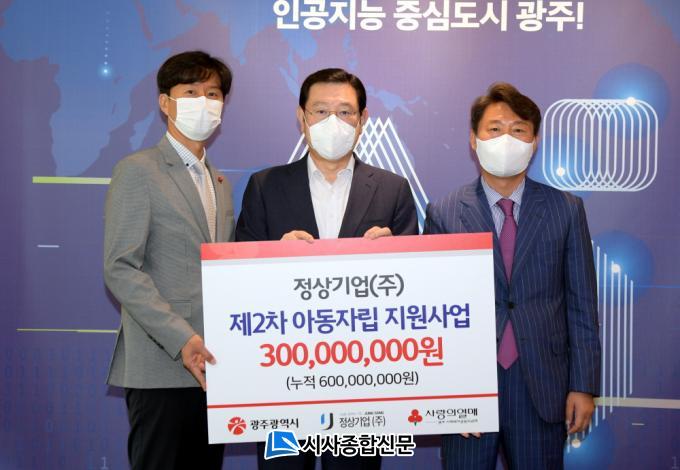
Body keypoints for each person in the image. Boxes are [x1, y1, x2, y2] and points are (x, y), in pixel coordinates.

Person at [236, 68, 418, 469]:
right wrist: (273, 258)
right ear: (301, 117)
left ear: (363, 119)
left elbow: (415, 294)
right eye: (320, 111)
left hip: (364, 381)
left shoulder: (393, 189)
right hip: (282, 381)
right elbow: (238, 283)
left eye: (345, 112)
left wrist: (395, 262)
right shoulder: (265, 186)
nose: (332, 122)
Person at [424, 83, 600, 470]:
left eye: (519, 130)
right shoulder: (444, 212)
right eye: (494, 129)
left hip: (541, 384)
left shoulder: (566, 209)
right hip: (467, 389)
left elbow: (582, 305)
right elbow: (432, 312)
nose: (506, 139)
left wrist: (584, 385)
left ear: (534, 141)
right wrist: (446, 392)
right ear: (473, 140)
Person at [103, 50, 234, 470]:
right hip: (162, 363)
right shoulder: (138, 170)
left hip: (213, 366)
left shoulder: (219, 181)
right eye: (190, 92)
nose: (203, 102)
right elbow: (120, 267)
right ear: (165, 102)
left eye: (212, 93)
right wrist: (182, 338)